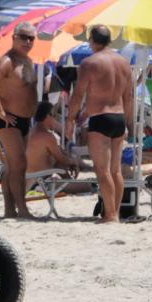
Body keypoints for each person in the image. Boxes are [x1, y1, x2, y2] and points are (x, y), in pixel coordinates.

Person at [65, 25, 134, 223]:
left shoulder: (89, 63)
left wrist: (70, 120)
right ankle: (116, 213)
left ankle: (110, 215)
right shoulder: (123, 63)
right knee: (116, 170)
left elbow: (78, 94)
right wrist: (128, 122)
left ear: (92, 40)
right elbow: (128, 96)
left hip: (100, 119)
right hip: (119, 118)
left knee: (102, 170)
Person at [0, 21, 37, 219]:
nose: (27, 41)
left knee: (14, 167)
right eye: (23, 37)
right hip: (8, 121)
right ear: (14, 38)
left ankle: (9, 210)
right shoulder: (8, 61)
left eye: (31, 38)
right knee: (19, 165)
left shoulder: (27, 61)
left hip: (23, 121)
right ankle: (22, 209)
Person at [26, 102, 91, 194]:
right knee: (87, 186)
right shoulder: (47, 137)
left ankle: (70, 180)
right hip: (40, 182)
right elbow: (62, 160)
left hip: (29, 179)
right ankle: (73, 179)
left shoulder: (31, 132)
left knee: (58, 155)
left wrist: (71, 161)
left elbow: (60, 156)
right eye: (54, 116)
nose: (56, 120)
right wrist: (74, 162)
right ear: (48, 116)